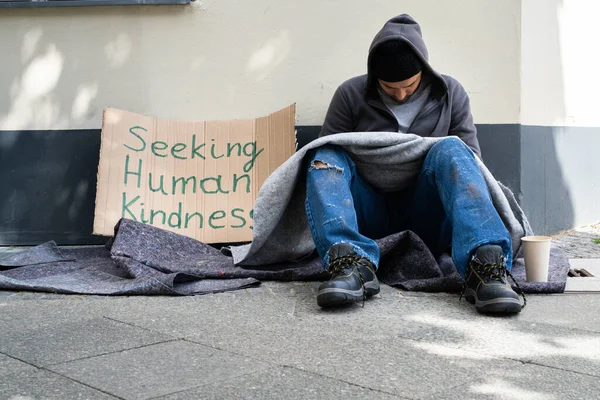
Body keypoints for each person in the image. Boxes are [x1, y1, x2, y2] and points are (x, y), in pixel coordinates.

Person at [306, 14, 524, 314]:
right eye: (388, 86)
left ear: (424, 68)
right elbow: (326, 156)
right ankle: (349, 263)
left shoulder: (450, 93)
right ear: (374, 76)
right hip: (368, 216)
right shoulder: (350, 94)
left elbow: (472, 166)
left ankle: (484, 266)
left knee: (454, 149)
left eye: (408, 85)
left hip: (429, 214)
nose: (400, 93)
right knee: (325, 156)